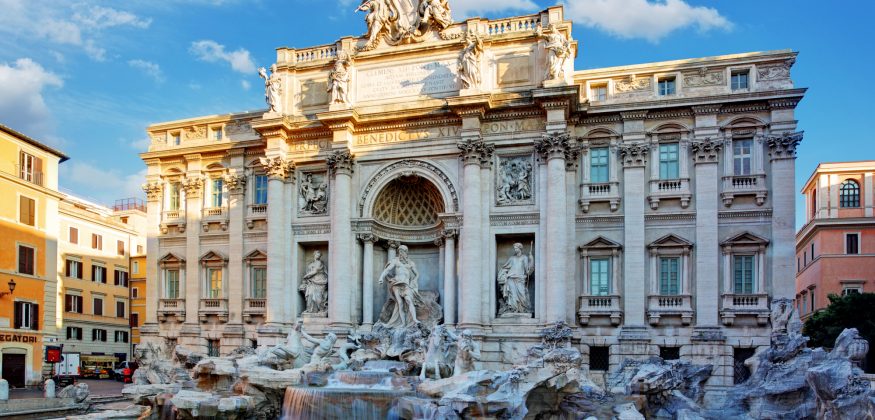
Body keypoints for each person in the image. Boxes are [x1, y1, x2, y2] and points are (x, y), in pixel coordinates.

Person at [378, 244, 420, 327]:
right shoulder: (395, 261)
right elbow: (387, 270)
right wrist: (381, 277)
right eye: (399, 251)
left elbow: (417, 274)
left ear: (406, 252)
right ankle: (403, 323)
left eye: (402, 251)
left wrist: (415, 280)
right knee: (399, 303)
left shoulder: (411, 263)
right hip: (396, 284)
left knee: (408, 300)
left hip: (406, 285)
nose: (400, 253)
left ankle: (415, 319)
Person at [497, 242, 534, 314]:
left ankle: (522, 310)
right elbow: (505, 268)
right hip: (511, 278)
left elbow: (528, 270)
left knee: (522, 295)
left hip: (520, 279)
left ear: (520, 248)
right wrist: (503, 274)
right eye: (514, 248)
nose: (515, 249)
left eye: (516, 248)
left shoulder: (524, 258)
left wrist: (531, 259)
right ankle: (513, 309)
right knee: (512, 295)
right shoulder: (512, 258)